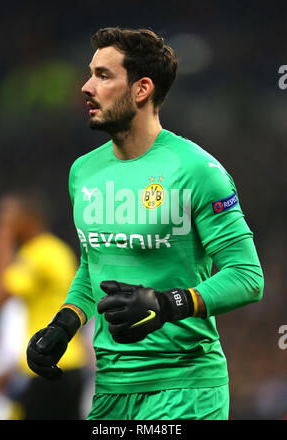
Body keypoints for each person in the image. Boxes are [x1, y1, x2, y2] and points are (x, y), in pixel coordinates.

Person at [26, 27, 264, 420]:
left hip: (186, 389)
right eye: (90, 74)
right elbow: (93, 264)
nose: (86, 86)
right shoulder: (83, 173)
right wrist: (65, 324)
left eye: (103, 76)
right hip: (110, 390)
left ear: (142, 89)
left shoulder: (197, 170)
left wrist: (167, 303)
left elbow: (247, 276)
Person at [0, 191, 90, 419]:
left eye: (7, 216)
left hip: (46, 363)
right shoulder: (57, 250)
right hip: (70, 361)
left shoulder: (37, 254)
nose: (2, 221)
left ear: (28, 219)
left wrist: (2, 239)